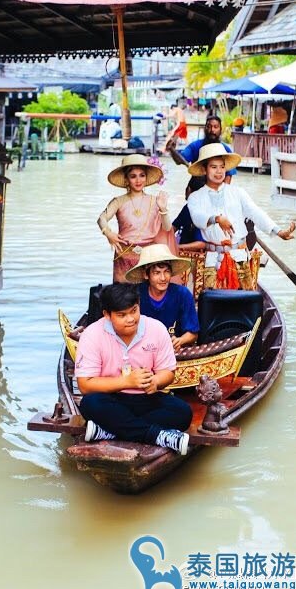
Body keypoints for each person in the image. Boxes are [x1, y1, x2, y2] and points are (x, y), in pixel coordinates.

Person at [75, 283, 191, 455]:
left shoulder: (157, 329)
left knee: (183, 413)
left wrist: (156, 381)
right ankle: (156, 435)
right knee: (91, 403)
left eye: (134, 311)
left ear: (139, 306)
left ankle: (109, 431)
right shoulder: (92, 334)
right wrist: (125, 382)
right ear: (107, 315)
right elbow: (85, 385)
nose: (130, 319)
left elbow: (168, 373)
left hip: (145, 398)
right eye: (122, 315)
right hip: (110, 400)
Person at [187, 143, 296, 290]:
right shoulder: (195, 197)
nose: (219, 171)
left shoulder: (238, 192)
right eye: (213, 167)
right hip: (212, 258)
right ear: (204, 169)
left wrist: (278, 231)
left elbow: (255, 212)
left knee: (244, 297)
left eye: (222, 166)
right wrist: (217, 219)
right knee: (211, 300)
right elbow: (197, 218)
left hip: (239, 254)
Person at [98, 154, 176, 283]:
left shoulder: (154, 201)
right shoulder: (118, 201)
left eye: (142, 175)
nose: (138, 180)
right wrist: (108, 233)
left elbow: (167, 228)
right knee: (123, 297)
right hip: (124, 252)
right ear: (126, 179)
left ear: (146, 178)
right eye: (133, 176)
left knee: (146, 295)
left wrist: (163, 208)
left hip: (148, 255)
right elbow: (101, 218)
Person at [125, 244, 199, 352]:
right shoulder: (135, 295)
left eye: (167, 272)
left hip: (173, 351)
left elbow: (193, 334)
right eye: (157, 273)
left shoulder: (182, 294)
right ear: (146, 275)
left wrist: (180, 340)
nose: (163, 278)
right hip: (141, 350)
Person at [167, 115, 237, 181]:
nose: (212, 130)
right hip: (196, 186)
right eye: (209, 127)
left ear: (220, 130)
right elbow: (179, 161)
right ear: (205, 129)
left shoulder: (226, 150)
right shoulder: (195, 146)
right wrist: (172, 150)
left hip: (218, 188)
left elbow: (228, 176)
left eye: (215, 127)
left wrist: (222, 192)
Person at [172, 177, 206, 252]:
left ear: (188, 189)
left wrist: (177, 247)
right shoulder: (187, 208)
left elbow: (202, 244)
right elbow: (174, 227)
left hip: (196, 255)